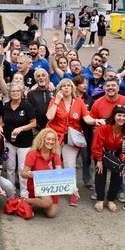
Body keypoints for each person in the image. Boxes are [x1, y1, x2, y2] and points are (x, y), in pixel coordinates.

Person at [45, 78, 101, 206]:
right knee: (52, 164)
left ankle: (72, 192)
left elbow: (86, 117)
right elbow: (49, 117)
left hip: (71, 137)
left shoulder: (79, 102)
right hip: (54, 137)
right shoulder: (55, 101)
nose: (66, 88)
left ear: (72, 88)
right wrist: (56, 101)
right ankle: (52, 191)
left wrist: (95, 121)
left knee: (69, 165)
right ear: (60, 89)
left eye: (68, 86)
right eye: (63, 86)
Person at [92, 105, 125, 213]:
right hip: (103, 152)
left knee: (118, 176)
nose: (122, 118)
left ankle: (110, 200)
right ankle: (100, 199)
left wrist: (123, 160)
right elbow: (97, 144)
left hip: (118, 153)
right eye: (119, 115)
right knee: (100, 174)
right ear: (114, 115)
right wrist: (99, 161)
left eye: (124, 116)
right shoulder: (104, 127)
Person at [2, 83, 37, 198]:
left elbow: (33, 123)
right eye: (13, 91)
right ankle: (11, 191)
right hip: (9, 141)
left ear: (22, 93)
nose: (15, 93)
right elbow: (3, 122)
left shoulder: (27, 106)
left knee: (22, 168)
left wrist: (21, 128)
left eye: (18, 91)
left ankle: (24, 192)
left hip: (24, 142)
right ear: (9, 93)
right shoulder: (6, 105)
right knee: (10, 167)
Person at [21, 128, 62, 218]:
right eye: (48, 139)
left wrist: (72, 187)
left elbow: (60, 174)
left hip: (51, 187)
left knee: (51, 214)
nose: (51, 142)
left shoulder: (55, 155)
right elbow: (23, 174)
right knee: (47, 202)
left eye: (53, 140)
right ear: (42, 139)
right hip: (36, 186)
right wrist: (28, 174)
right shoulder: (33, 154)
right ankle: (26, 200)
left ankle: (39, 203)